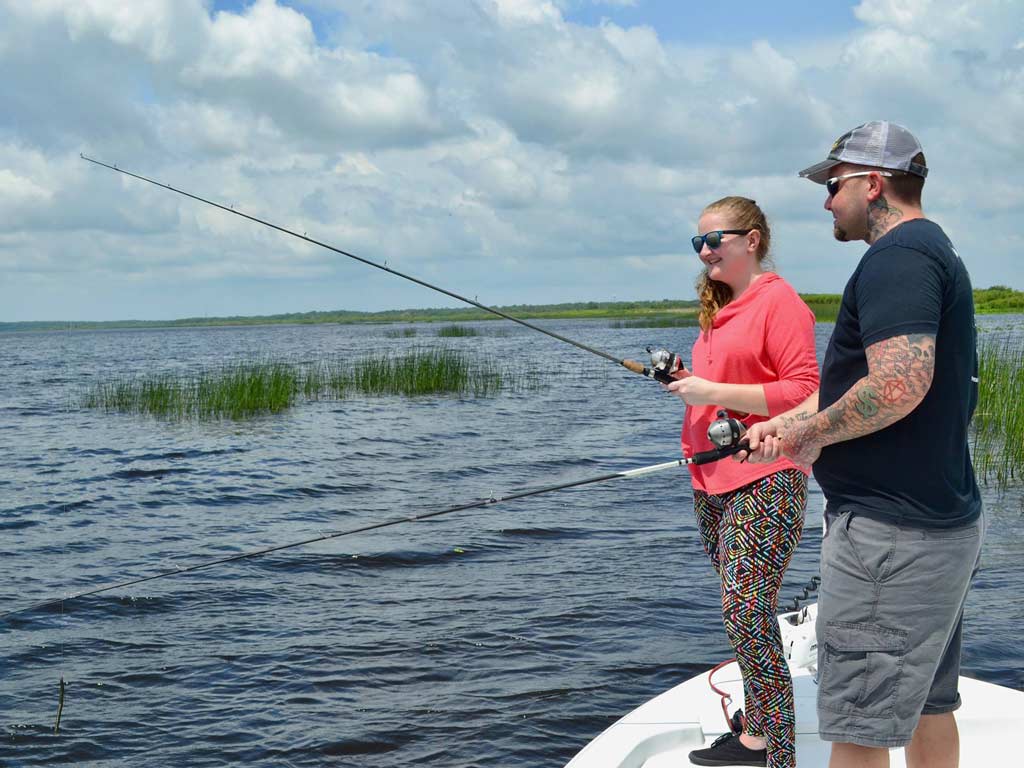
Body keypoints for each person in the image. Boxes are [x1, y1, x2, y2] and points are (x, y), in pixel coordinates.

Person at [741, 121, 984, 768]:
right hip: (935, 526)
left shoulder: (897, 259)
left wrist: (809, 434)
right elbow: (869, 381)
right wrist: (788, 423)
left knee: (858, 727)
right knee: (932, 704)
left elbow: (901, 384)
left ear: (873, 185)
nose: (826, 200)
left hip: (889, 541)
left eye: (834, 184)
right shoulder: (932, 251)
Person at [665, 196, 819, 768]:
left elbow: (804, 391)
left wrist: (710, 392)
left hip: (765, 476)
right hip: (708, 479)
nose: (704, 250)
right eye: (698, 242)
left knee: (746, 612)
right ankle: (758, 725)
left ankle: (772, 751)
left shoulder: (779, 302)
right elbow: (727, 381)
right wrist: (689, 381)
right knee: (744, 612)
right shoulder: (719, 307)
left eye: (715, 239)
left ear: (751, 240)